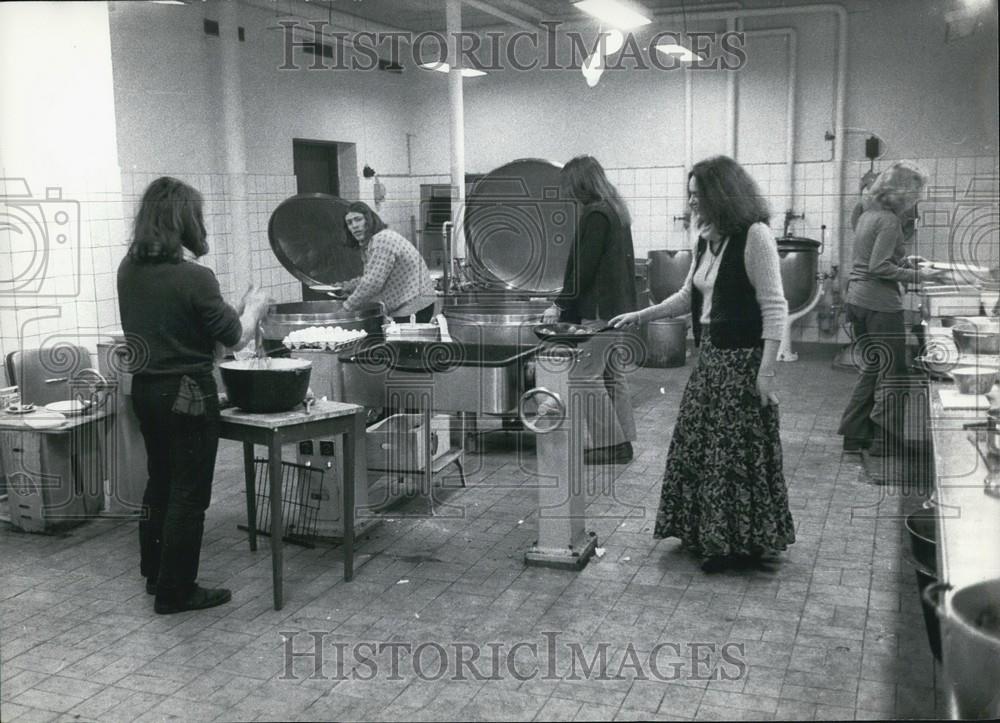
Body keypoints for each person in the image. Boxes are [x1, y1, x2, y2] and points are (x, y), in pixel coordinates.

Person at [611, 155, 795, 572]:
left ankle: (736, 542)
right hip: (710, 360)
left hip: (742, 361)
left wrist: (765, 374)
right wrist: (641, 315)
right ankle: (707, 533)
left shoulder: (755, 236)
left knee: (733, 454)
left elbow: (775, 307)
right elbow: (686, 297)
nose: (692, 203)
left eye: (698, 195)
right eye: (690, 195)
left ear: (721, 196)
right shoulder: (706, 240)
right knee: (703, 449)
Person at [118, 176, 270, 614]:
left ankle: (155, 576)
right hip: (187, 394)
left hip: (145, 389)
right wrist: (254, 308)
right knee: (189, 493)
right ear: (185, 220)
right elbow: (235, 340)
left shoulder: (128, 269)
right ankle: (177, 591)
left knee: (160, 484)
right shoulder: (194, 276)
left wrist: (232, 313)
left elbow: (196, 325)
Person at [837, 161, 942, 454]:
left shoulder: (869, 215)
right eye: (916, 196)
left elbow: (871, 259)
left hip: (857, 301)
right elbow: (879, 266)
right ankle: (885, 443)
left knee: (872, 368)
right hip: (879, 305)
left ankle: (855, 436)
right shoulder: (890, 221)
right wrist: (920, 276)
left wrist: (908, 263)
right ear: (903, 194)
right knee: (895, 374)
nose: (916, 202)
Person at [543, 155, 638, 465]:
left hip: (599, 310)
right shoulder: (615, 210)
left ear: (581, 183)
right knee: (612, 376)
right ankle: (622, 442)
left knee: (585, 375)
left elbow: (584, 268)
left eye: (570, 185)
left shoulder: (595, 214)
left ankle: (611, 445)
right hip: (617, 309)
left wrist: (559, 304)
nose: (568, 192)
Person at [338, 201, 438, 323]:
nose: (354, 226)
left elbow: (372, 284)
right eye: (349, 223)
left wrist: (345, 308)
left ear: (369, 220)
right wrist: (348, 286)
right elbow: (371, 276)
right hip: (413, 304)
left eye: (358, 219)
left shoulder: (381, 240)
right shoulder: (371, 243)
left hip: (414, 306)